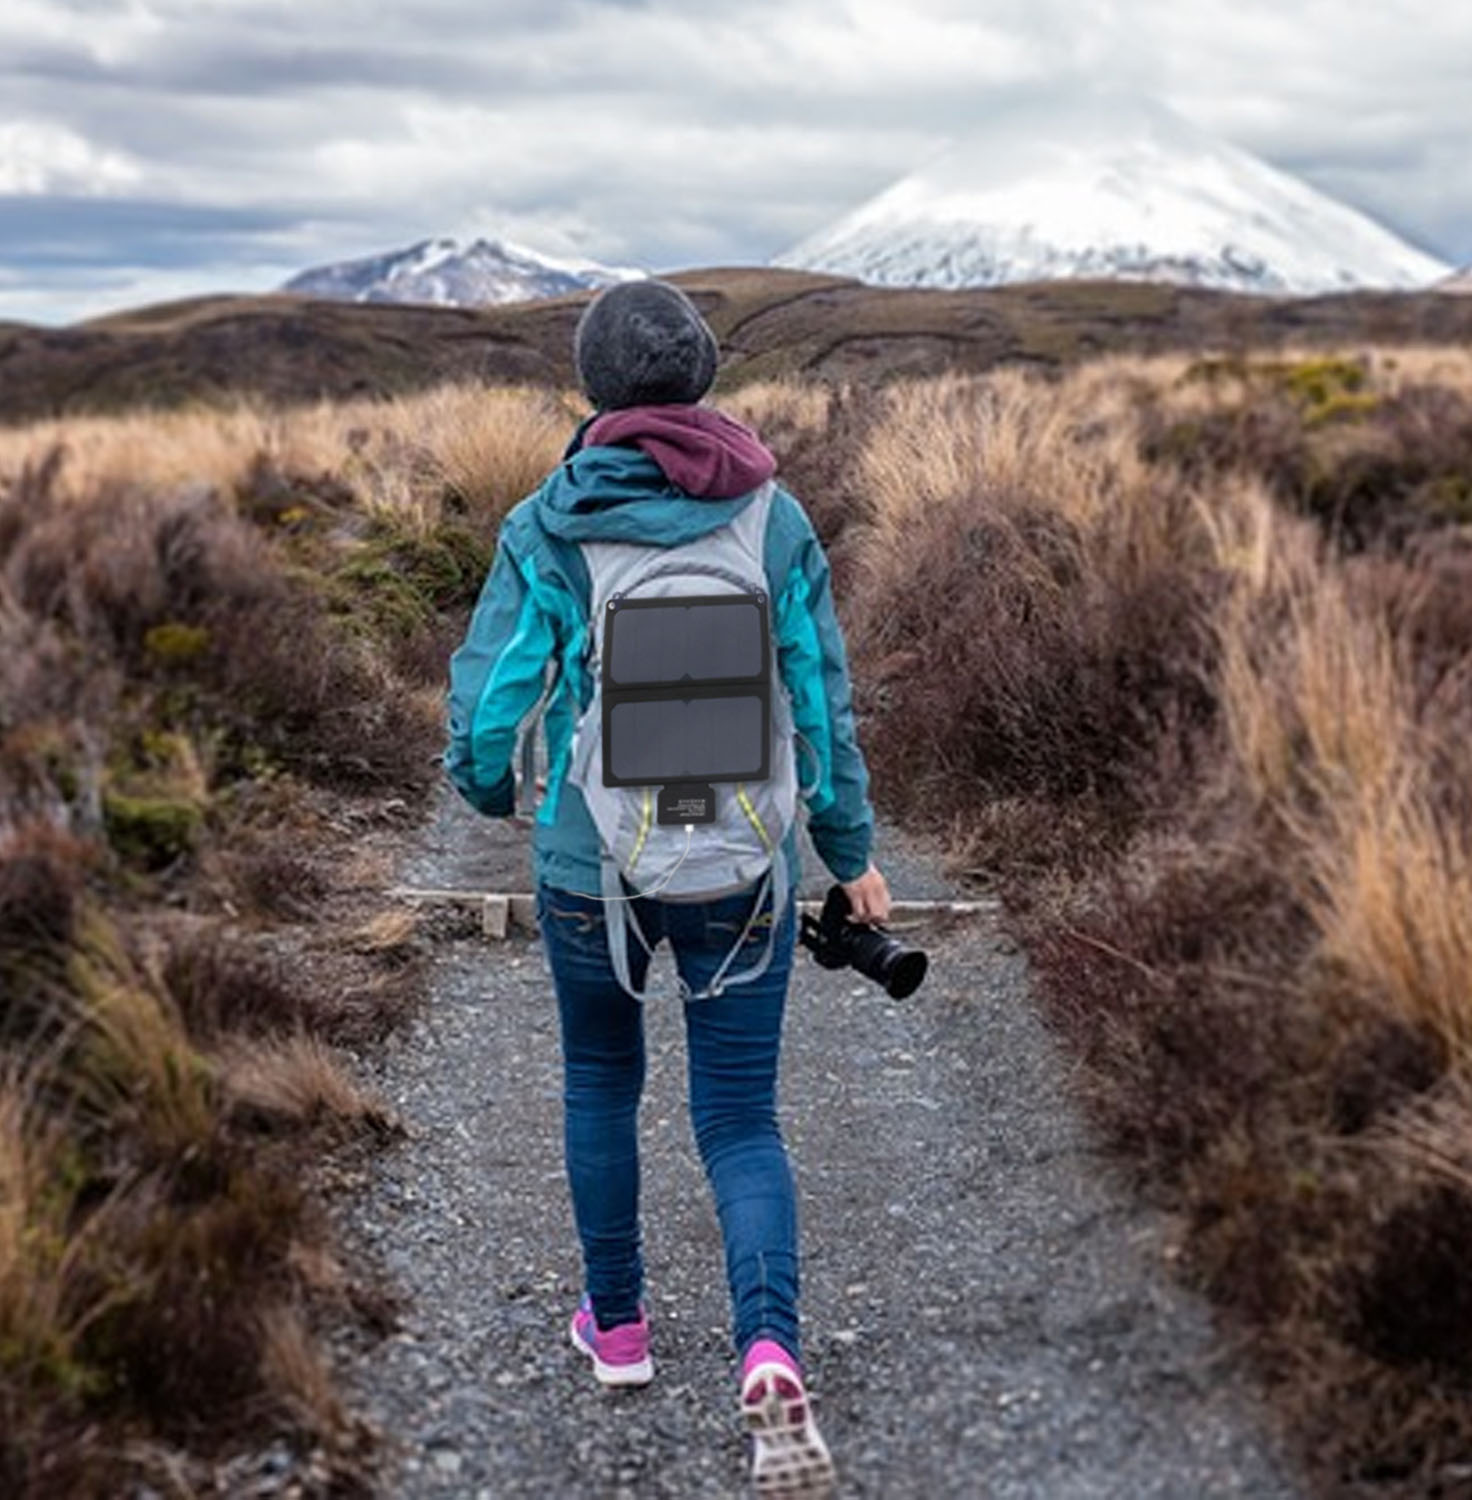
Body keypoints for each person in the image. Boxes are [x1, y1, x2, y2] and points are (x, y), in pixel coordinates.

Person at [445, 278, 889, 1497]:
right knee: (741, 1120)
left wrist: (495, 799)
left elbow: (493, 708)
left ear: (596, 389)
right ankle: (767, 1349)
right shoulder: (776, 518)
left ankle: (621, 1330)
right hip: (746, 864)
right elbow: (820, 703)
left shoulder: (548, 522)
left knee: (601, 1079)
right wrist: (848, 855)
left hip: (596, 864)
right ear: (699, 378)